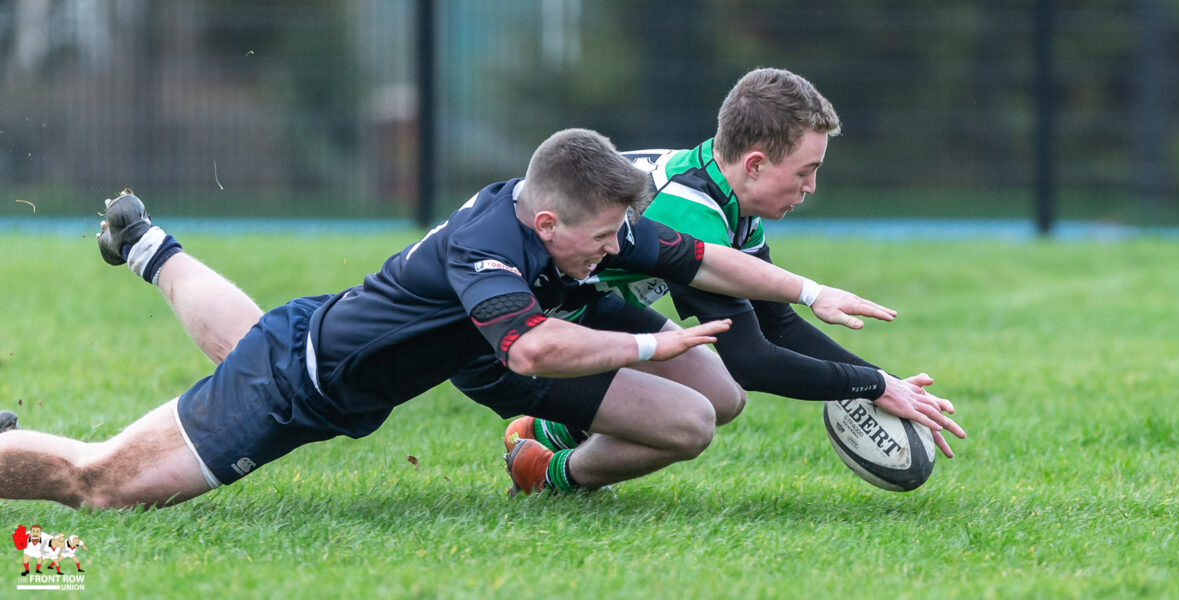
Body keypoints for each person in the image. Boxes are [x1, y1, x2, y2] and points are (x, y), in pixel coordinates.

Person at [0, 128, 896, 508]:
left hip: (343, 356)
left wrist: (811, 293)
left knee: (252, 335)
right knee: (104, 485)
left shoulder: (587, 221)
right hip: (301, 381)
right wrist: (656, 341)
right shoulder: (488, 249)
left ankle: (147, 244)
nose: (614, 251)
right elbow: (539, 350)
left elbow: (699, 258)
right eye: (599, 241)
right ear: (547, 225)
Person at [500, 68, 966, 471]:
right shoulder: (689, 210)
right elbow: (753, 360)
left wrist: (887, 382)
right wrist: (874, 384)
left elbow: (777, 322)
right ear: (756, 164)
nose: (812, 187)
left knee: (722, 395)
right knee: (695, 416)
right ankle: (548, 473)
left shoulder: (726, 191)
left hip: (590, 303)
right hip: (533, 320)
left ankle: (547, 430)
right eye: (805, 171)